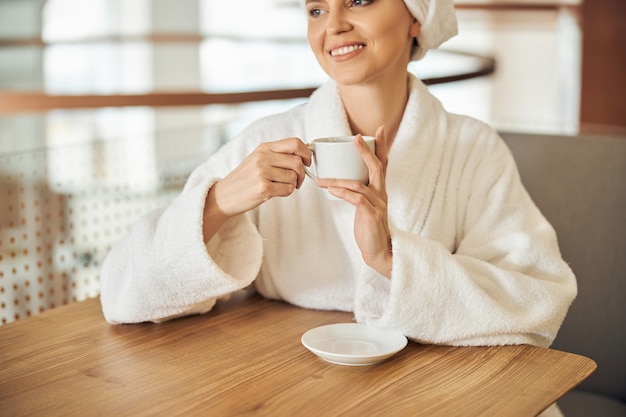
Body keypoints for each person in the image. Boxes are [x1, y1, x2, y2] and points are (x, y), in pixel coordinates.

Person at [100, 2, 575, 413]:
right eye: (316, 10)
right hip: (289, 390)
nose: (334, 25)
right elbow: (125, 293)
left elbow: (538, 303)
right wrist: (221, 201)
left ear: (416, 17)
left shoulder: (471, 148)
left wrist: (391, 259)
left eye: (360, 0)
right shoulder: (265, 143)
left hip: (445, 395)